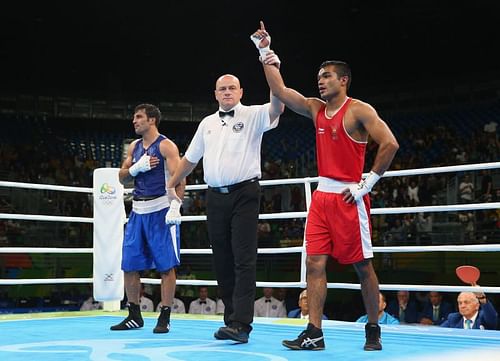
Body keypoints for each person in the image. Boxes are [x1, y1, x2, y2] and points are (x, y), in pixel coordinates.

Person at [251, 21, 399, 351]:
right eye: (319, 77)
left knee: (362, 267)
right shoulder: (316, 109)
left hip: (351, 196)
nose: (320, 80)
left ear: (343, 80)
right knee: (314, 264)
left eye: (327, 76)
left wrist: (368, 182)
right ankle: (314, 331)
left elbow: (389, 144)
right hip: (322, 196)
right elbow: (281, 91)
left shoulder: (359, 110)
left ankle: (373, 327)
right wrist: (264, 50)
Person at [165, 72, 284, 345]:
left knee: (243, 258)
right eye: (222, 89)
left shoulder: (254, 115)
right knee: (222, 260)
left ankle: (242, 323)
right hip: (214, 198)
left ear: (241, 91)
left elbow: (278, 106)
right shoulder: (207, 123)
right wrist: (172, 184)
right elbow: (190, 159)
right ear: (216, 94)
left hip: (245, 193)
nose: (227, 92)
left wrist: (269, 63)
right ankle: (231, 320)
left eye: (232, 88)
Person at [110, 103, 185, 334]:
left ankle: (165, 316)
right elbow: (122, 178)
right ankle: (134, 315)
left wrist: (176, 206)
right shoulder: (133, 146)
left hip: (161, 209)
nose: (135, 121)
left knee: (166, 266)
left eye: (139, 117)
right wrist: (135, 169)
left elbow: (180, 179)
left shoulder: (166, 146)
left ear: (152, 120)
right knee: (129, 265)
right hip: (137, 210)